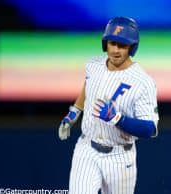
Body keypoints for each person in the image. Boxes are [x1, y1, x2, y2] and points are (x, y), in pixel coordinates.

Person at [58, 16, 159, 194]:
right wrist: (74, 112)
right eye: (112, 43)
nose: (116, 50)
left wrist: (116, 118)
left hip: (120, 157)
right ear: (106, 43)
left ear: (132, 47)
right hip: (86, 149)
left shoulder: (143, 82)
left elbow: (149, 129)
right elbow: (88, 86)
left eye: (122, 45)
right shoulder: (93, 65)